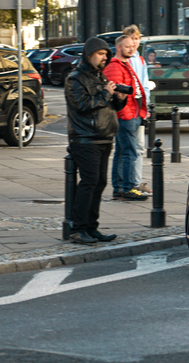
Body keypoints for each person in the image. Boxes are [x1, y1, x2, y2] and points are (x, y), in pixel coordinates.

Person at [64, 37, 128, 244]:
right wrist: (105, 93)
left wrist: (119, 98)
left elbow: (109, 108)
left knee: (99, 183)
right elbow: (82, 105)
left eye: (106, 55)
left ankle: (92, 228)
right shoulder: (75, 79)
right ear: (89, 54)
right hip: (85, 139)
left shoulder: (99, 77)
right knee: (89, 182)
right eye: (101, 54)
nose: (104, 58)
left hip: (104, 137)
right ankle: (78, 229)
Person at [104, 35, 149, 201]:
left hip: (131, 113)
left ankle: (119, 187)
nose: (132, 49)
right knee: (129, 152)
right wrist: (127, 114)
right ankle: (128, 188)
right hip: (126, 115)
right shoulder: (115, 66)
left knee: (122, 152)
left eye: (133, 46)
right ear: (118, 47)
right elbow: (117, 94)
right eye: (127, 46)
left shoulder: (124, 64)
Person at [122, 25, 152, 196]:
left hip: (139, 107)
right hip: (130, 109)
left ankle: (132, 182)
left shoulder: (140, 60)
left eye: (137, 39)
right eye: (131, 39)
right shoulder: (126, 59)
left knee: (136, 147)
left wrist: (146, 106)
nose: (134, 42)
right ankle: (132, 183)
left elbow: (145, 85)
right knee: (132, 148)